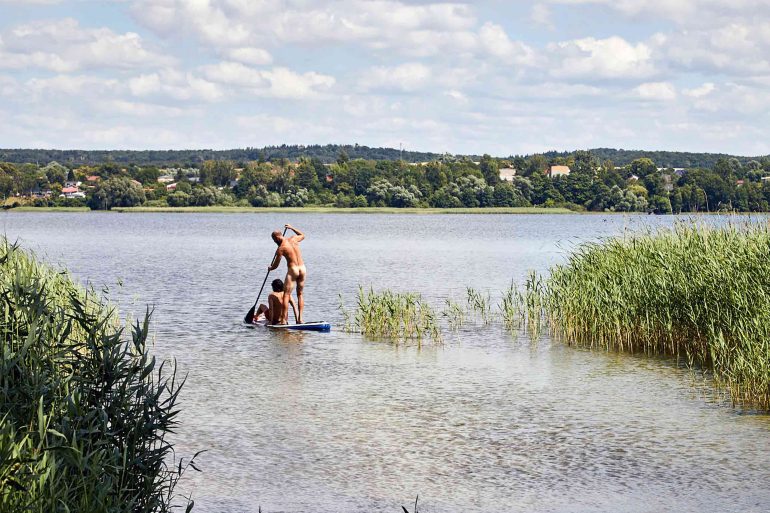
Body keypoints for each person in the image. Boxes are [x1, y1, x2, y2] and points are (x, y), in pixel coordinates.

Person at [268, 224, 306, 324]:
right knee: (300, 294)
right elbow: (302, 235)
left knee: (286, 294)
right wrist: (292, 228)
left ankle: (284, 320)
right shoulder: (294, 239)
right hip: (302, 268)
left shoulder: (281, 248)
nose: (274, 242)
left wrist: (270, 268)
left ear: (277, 237)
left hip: (293, 269)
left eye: (274, 240)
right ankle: (300, 319)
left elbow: (276, 265)